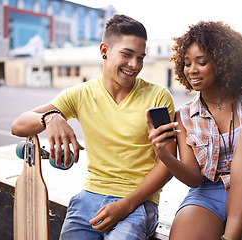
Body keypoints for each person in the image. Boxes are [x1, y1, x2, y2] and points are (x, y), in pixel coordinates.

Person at [11, 14, 175, 240]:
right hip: (89, 198)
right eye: (127, 54)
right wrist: (51, 117)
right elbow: (18, 125)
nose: (134, 65)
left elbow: (168, 164)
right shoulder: (81, 94)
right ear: (104, 50)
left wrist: (127, 205)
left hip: (138, 203)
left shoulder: (158, 97)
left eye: (141, 57)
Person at [146, 21, 242, 240]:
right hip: (206, 196)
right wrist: (164, 155)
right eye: (186, 63)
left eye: (201, 62)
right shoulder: (183, 116)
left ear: (222, 63)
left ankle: (231, 237)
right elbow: (193, 179)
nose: (192, 70)